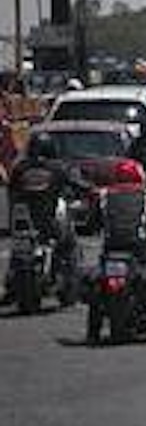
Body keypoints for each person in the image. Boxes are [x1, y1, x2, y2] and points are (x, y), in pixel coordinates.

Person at [0, 131, 88, 307]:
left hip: (24, 223)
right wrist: (88, 189)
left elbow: (11, 190)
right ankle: (69, 285)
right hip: (49, 223)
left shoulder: (20, 168)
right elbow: (78, 185)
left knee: (18, 251)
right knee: (70, 245)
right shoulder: (58, 168)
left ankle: (12, 286)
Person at [93, 157, 146, 340]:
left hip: (110, 249)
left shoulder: (103, 194)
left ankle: (93, 330)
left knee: (98, 288)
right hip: (138, 250)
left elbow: (92, 222)